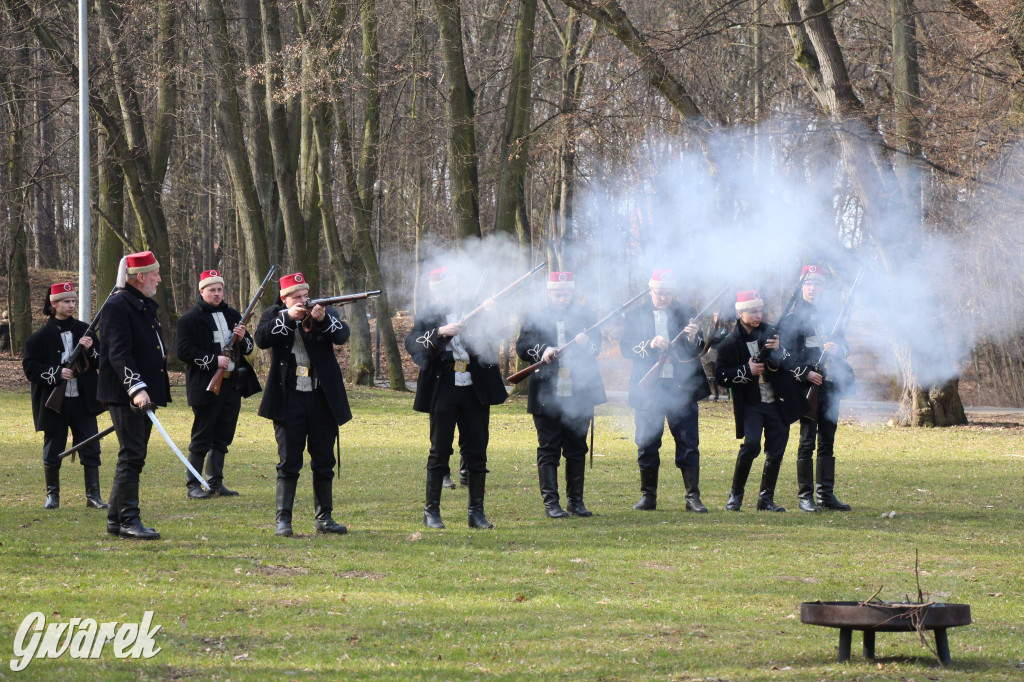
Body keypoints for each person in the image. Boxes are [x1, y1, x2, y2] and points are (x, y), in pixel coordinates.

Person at [405, 266, 508, 530]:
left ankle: (476, 513)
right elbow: (413, 345)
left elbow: (496, 336)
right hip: (444, 388)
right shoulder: (429, 316)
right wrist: (442, 331)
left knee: (477, 451)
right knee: (440, 450)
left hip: (474, 389)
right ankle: (432, 513)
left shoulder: (475, 308)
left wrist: (493, 314)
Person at [255, 272, 351, 536]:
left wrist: (322, 319)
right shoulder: (274, 315)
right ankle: (283, 520)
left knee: (323, 460)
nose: (303, 300)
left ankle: (324, 518)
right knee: (289, 462)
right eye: (296, 297)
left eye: (304, 296)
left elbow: (342, 335)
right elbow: (262, 339)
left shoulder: (323, 313)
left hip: (321, 398)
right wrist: (287, 318)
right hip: (289, 398)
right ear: (284, 299)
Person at [515, 272, 606, 518]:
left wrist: (586, 342)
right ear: (549, 293)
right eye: (557, 294)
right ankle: (551, 503)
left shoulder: (586, 316)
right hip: (547, 391)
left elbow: (597, 348)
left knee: (577, 448)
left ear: (572, 293)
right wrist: (542, 350)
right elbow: (522, 346)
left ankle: (576, 501)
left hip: (580, 390)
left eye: (566, 294)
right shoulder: (535, 317)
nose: (562, 298)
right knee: (549, 447)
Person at [619, 269, 710, 512]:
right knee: (647, 441)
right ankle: (648, 496)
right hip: (649, 390)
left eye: (668, 293)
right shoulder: (635, 315)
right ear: (650, 291)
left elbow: (698, 349)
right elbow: (626, 348)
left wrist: (693, 338)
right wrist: (649, 344)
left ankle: (693, 497)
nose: (664, 298)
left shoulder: (687, 312)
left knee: (688, 441)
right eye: (660, 293)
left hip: (682, 388)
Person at [97, 251, 171, 539]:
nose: (159, 279)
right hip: (126, 393)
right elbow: (118, 352)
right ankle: (129, 520)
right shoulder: (117, 305)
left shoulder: (138, 303)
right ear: (140, 277)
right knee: (132, 455)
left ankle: (116, 521)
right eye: (155, 274)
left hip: (142, 392)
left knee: (133, 455)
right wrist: (136, 387)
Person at [714, 290, 808, 512]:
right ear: (741, 312)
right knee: (751, 444)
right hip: (751, 403)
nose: (758, 315)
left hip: (777, 401)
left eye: (760, 310)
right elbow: (721, 375)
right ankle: (735, 496)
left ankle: (766, 499)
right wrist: (748, 370)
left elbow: (790, 362)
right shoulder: (729, 343)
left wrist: (778, 351)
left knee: (776, 450)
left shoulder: (772, 334)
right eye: (753, 311)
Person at [175, 269, 261, 499]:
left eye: (219, 289)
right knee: (202, 437)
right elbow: (183, 351)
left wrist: (243, 339)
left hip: (232, 385)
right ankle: (193, 483)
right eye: (211, 289)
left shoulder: (234, 314)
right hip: (206, 385)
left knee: (223, 436)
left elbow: (251, 349)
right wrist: (213, 361)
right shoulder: (189, 320)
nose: (216, 293)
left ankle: (215, 482)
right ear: (202, 291)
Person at [22, 282, 106, 510]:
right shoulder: (38, 338)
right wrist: (56, 374)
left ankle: (93, 496)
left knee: (91, 446)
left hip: (83, 401)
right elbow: (30, 368)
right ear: (54, 304)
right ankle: (53, 496)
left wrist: (90, 349)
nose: (71, 305)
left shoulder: (84, 330)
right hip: (55, 404)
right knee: (53, 448)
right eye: (66, 301)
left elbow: (101, 361)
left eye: (72, 301)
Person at [781, 265, 856, 511]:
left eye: (817, 284)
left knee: (827, 440)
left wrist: (838, 350)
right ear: (802, 287)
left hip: (831, 385)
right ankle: (805, 496)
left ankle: (826, 494)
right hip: (807, 387)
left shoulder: (833, 316)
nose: (813, 289)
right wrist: (805, 372)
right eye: (808, 284)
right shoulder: (792, 320)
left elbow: (846, 349)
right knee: (806, 441)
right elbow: (785, 355)